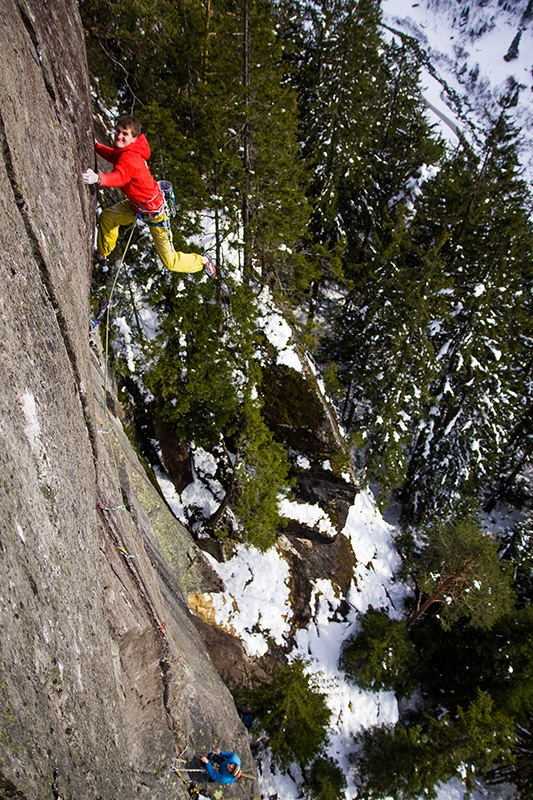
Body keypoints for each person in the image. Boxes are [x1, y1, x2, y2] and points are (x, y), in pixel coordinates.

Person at [82, 115, 215, 277]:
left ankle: (202, 261)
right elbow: (114, 156)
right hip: (137, 205)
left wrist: (99, 178)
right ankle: (102, 255)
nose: (119, 136)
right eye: (118, 131)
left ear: (134, 138)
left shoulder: (130, 158)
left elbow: (120, 176)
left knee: (170, 262)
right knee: (109, 217)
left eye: (125, 134)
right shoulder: (128, 151)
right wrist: (96, 146)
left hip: (156, 215)